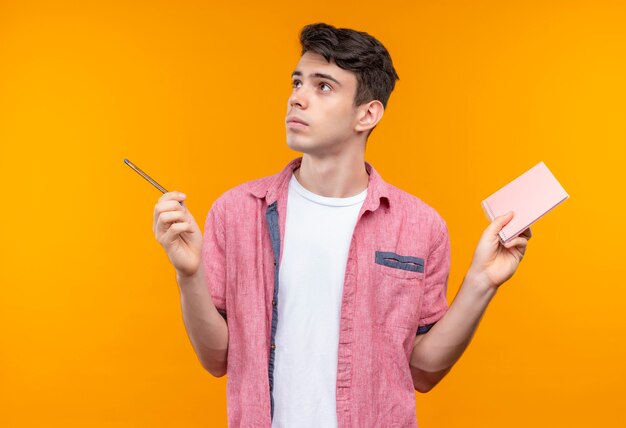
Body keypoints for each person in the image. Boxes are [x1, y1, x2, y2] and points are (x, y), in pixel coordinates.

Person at [152, 23, 531, 428]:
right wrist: (188, 274)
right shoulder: (236, 212)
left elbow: (423, 371)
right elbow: (216, 360)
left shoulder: (420, 226)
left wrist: (481, 282)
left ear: (367, 114)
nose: (297, 98)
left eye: (323, 87)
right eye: (297, 82)